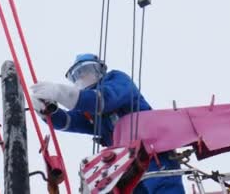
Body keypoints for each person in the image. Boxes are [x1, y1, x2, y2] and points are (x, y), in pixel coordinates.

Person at [30, 53, 185, 194]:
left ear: (100, 70)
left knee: (164, 187)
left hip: (154, 152)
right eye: (78, 75)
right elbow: (70, 121)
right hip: (127, 165)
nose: (83, 77)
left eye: (87, 70)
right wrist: (48, 112)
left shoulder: (116, 80)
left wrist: (61, 93)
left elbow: (105, 99)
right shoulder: (91, 111)